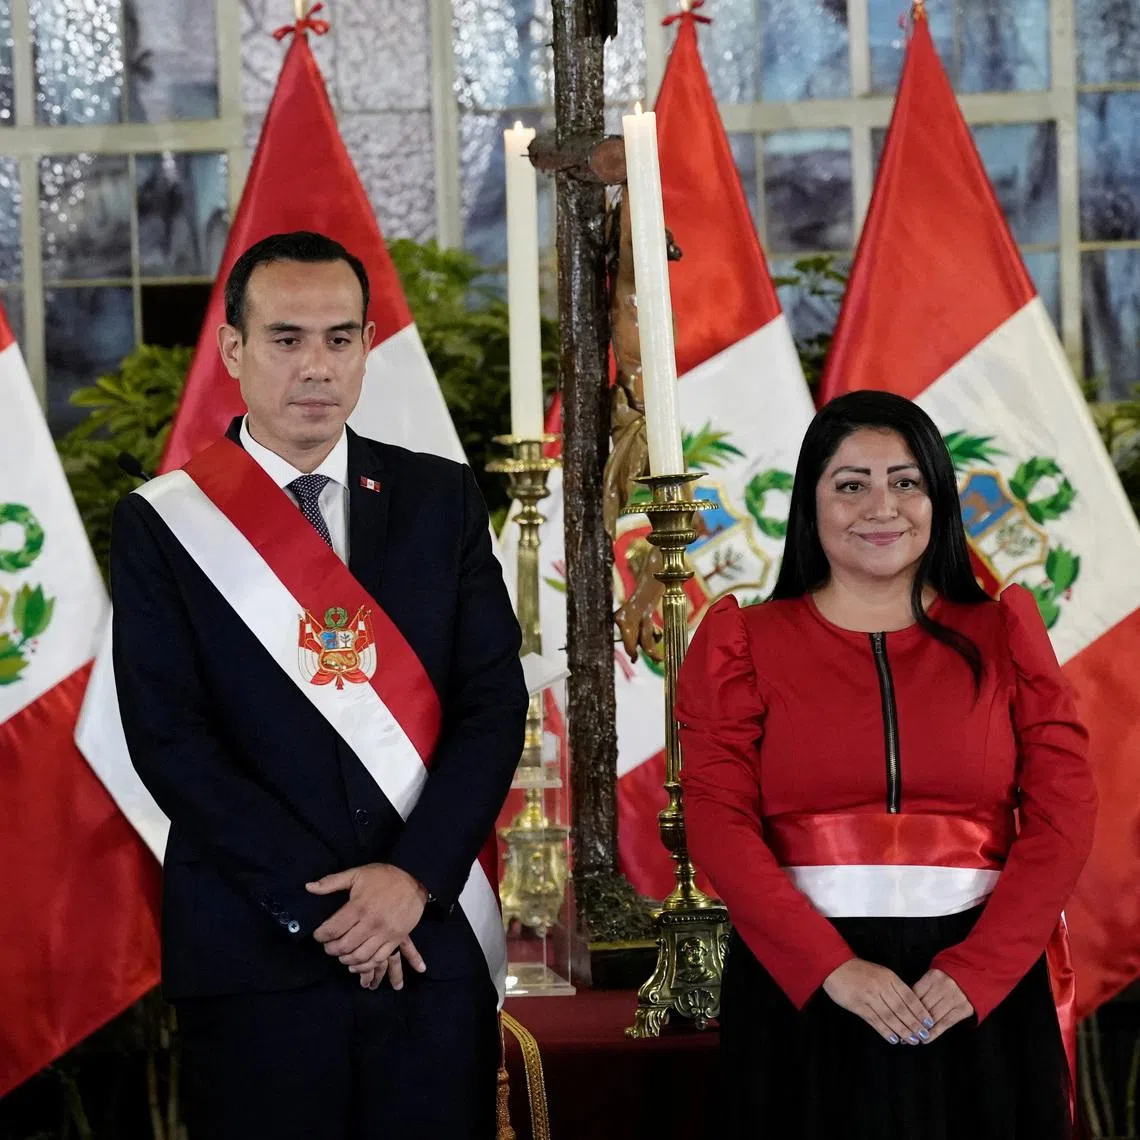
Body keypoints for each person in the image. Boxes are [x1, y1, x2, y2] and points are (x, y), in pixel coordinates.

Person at [110, 231, 528, 1139]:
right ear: (233, 350)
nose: (316, 367)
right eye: (287, 338)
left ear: (369, 346)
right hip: (257, 955)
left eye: (341, 339)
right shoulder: (163, 526)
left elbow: (493, 704)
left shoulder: (439, 499)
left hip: (431, 937)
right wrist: (334, 907)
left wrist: (412, 879)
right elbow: (169, 741)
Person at [676, 390, 1097, 1140]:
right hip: (804, 993)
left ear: (938, 497)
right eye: (851, 483)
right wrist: (830, 968)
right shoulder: (741, 642)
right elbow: (717, 820)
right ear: (810, 503)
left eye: (907, 481)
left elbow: (1065, 813)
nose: (883, 506)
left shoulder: (1006, 632)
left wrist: (981, 971)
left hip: (976, 994)